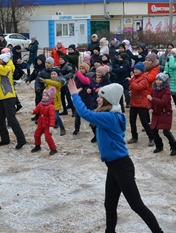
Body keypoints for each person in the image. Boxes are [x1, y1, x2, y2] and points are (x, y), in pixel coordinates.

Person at [68, 80, 163, 233]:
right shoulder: (108, 114)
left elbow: (85, 114)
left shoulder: (109, 117)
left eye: (100, 97)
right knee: (110, 204)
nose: (97, 99)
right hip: (113, 166)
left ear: (108, 100)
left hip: (121, 166)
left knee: (136, 205)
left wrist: (74, 95)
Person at [0, 53, 26, 148]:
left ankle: (21, 140)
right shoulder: (5, 67)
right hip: (2, 97)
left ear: (4, 61)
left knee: (11, 119)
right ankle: (5, 139)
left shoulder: (5, 69)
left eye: (0, 59)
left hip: (8, 97)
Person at [148, 73, 176, 156]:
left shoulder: (167, 90)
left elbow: (163, 102)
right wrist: (150, 108)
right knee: (153, 130)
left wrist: (152, 99)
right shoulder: (154, 88)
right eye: (157, 79)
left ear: (164, 81)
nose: (158, 81)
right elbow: (150, 101)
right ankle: (159, 146)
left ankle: (174, 147)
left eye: (160, 80)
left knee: (166, 132)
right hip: (156, 113)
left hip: (165, 113)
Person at [127, 62, 154, 146]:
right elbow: (130, 87)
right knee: (132, 121)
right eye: (135, 69)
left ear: (142, 70)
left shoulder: (144, 79)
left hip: (142, 103)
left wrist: (131, 81)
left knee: (144, 122)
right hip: (134, 102)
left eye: (137, 69)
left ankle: (151, 137)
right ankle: (134, 137)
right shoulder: (134, 78)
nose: (135, 71)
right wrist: (132, 82)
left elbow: (137, 88)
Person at [31, 86, 58, 155]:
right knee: (36, 135)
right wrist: (33, 111)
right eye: (43, 95)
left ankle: (53, 149)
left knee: (48, 138)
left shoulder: (51, 106)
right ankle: (37, 146)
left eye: (46, 96)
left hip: (47, 125)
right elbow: (37, 109)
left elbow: (52, 117)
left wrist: (51, 126)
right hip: (40, 123)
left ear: (50, 97)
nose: (44, 97)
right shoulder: (41, 103)